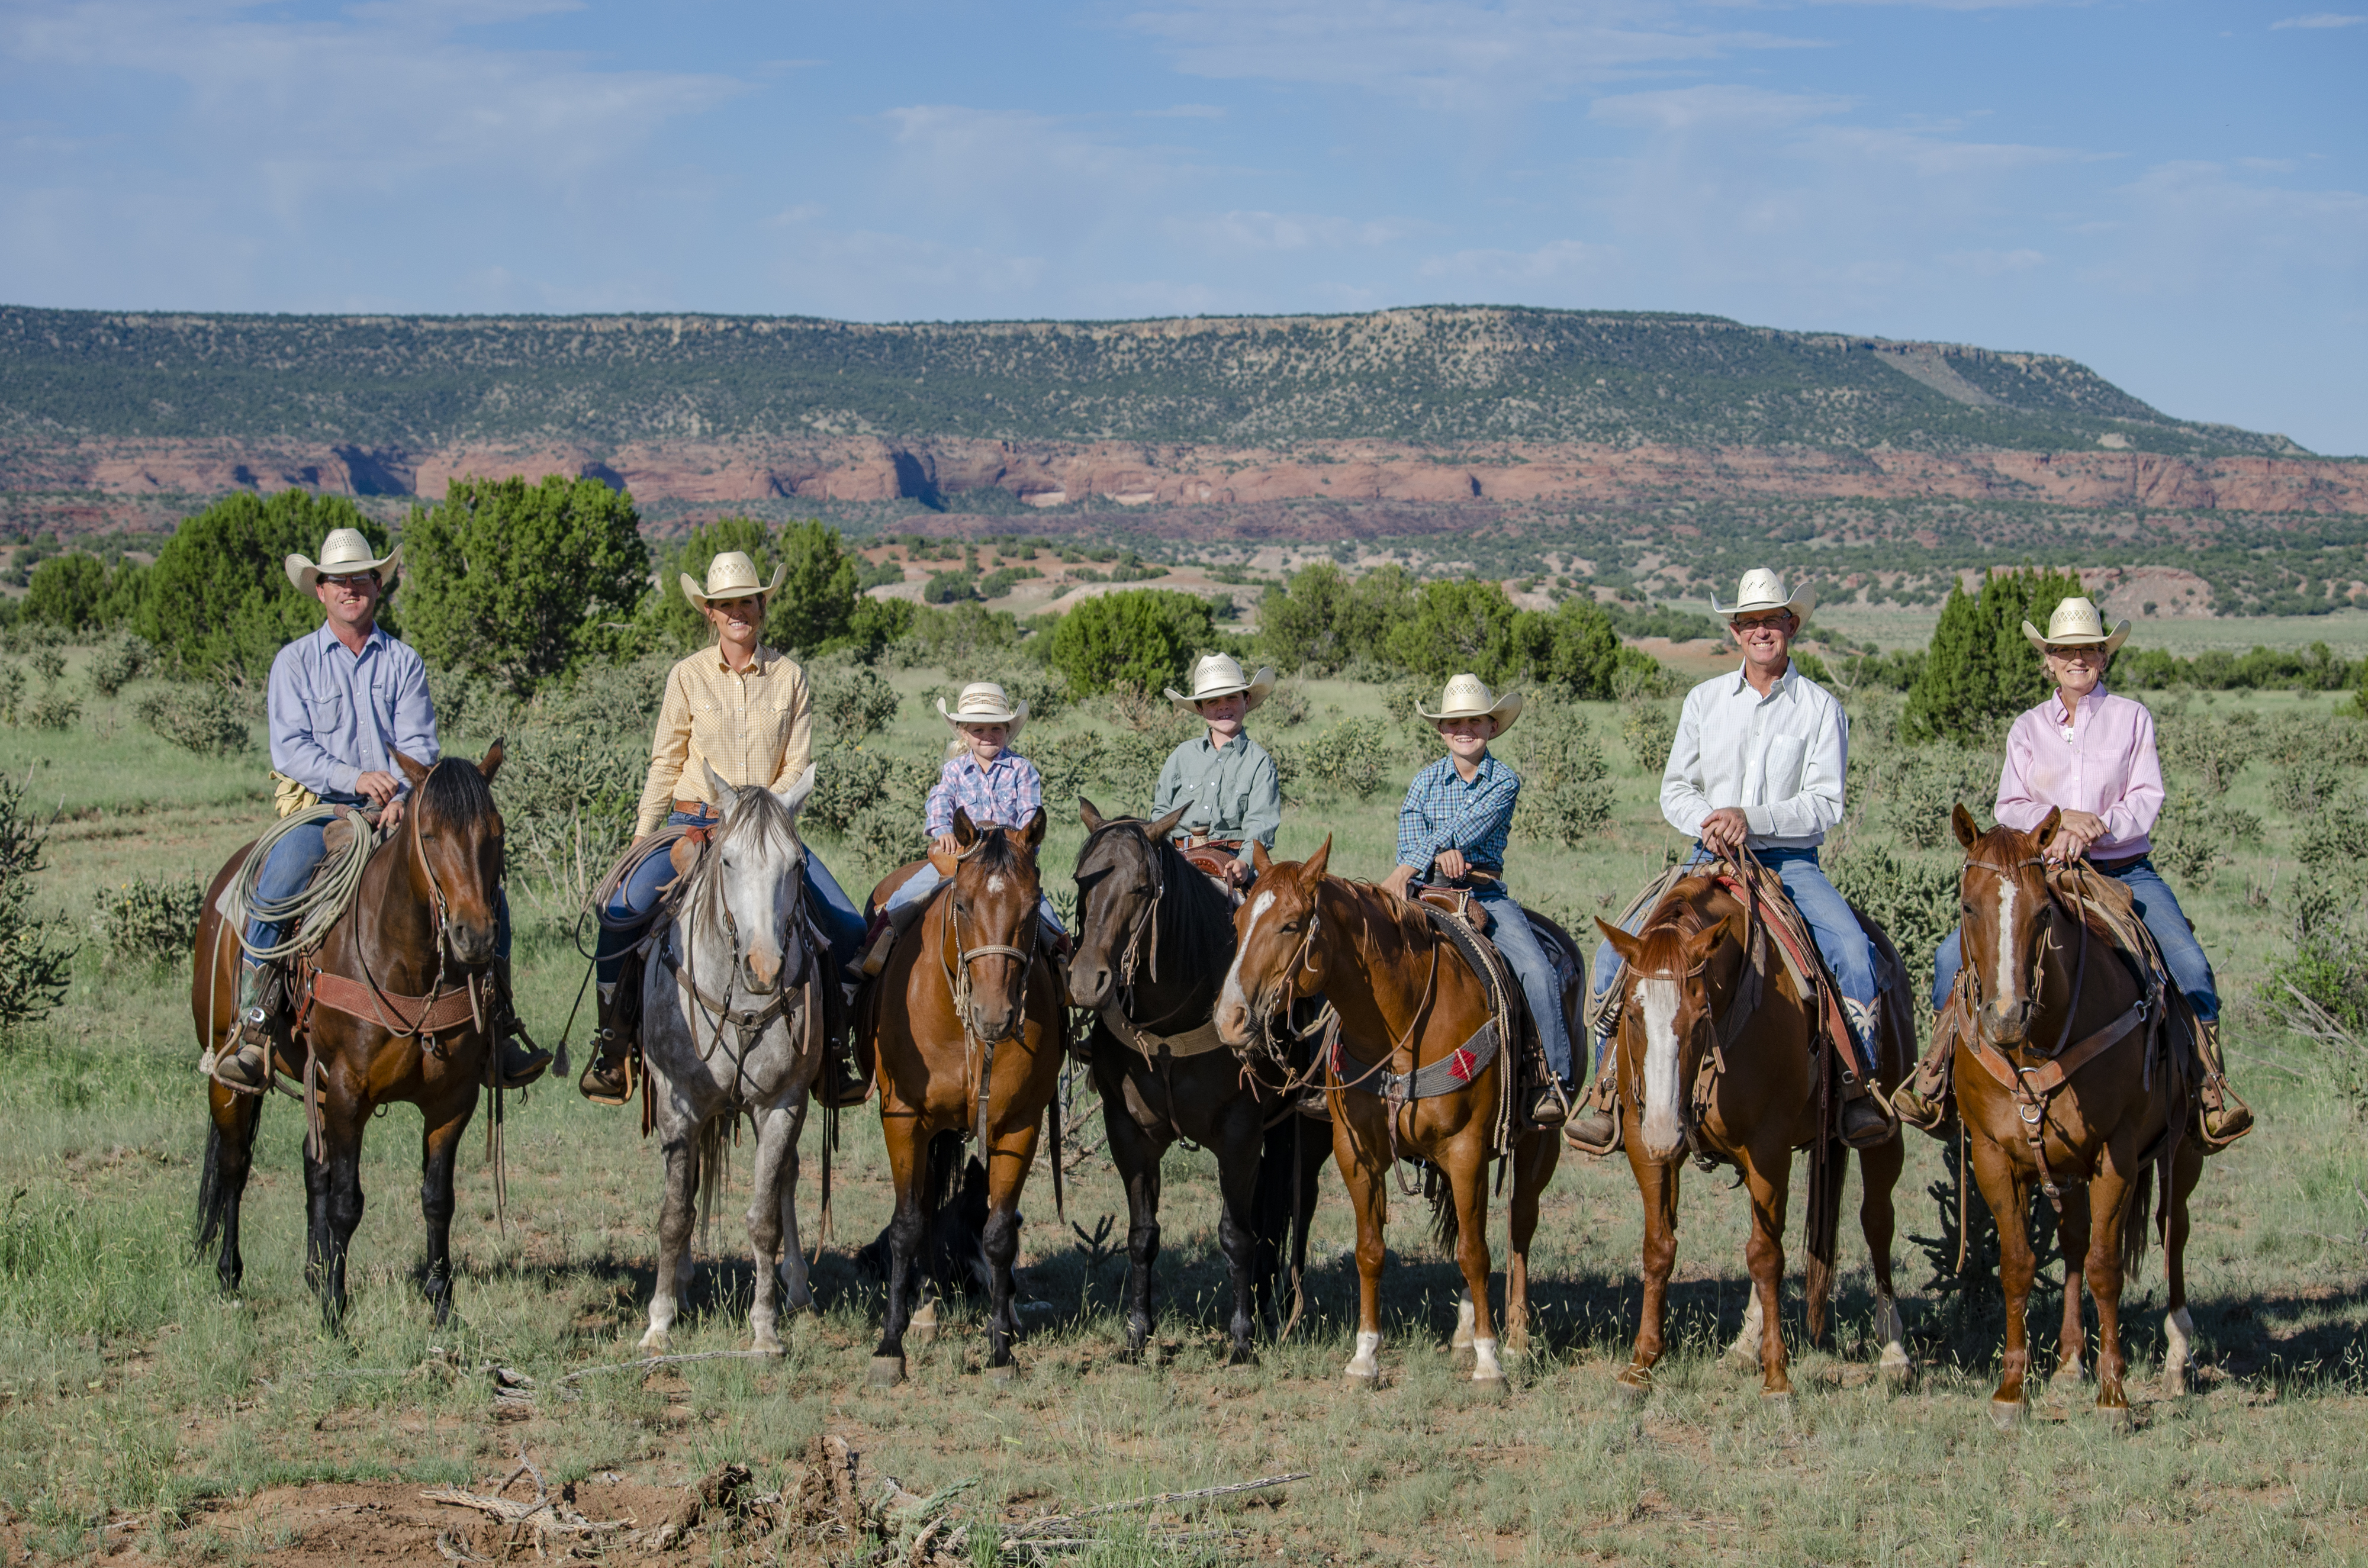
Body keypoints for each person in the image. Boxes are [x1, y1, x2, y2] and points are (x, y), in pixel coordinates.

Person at [1905, 596, 2250, 1144]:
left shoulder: (2132, 717)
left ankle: (2209, 1085)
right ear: (2049, 660)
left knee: (2189, 964)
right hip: (2041, 872)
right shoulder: (2027, 728)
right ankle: (1936, 1074)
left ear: (2104, 657)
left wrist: (2096, 825)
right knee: (1952, 956)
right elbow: (2009, 806)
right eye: (2065, 651)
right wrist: (2056, 828)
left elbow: (2147, 795)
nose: (2077, 659)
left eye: (2088, 649)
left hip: (2123, 869)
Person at [1569, 568, 1890, 1151]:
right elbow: (1677, 787)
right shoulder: (1704, 700)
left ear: (1791, 625)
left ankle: (1855, 1087)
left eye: (1773, 620)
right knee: (1611, 958)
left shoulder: (1820, 708)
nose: (1761, 630)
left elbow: (1824, 804)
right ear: (1735, 632)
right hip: (1705, 859)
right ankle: (1605, 1089)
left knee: (1850, 948)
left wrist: (1751, 818)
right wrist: (1711, 822)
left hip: (1787, 864)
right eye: (1750, 622)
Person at [221, 527, 551, 1093]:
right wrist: (354, 778)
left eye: (362, 579)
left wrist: (402, 796)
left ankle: (496, 1025)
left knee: (484, 892)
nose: (352, 589)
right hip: (321, 811)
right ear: (320, 590)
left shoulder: (402, 661)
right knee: (279, 881)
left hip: (403, 812)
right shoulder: (295, 663)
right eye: (339, 581)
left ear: (378, 586)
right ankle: (253, 1025)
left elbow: (420, 745)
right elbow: (291, 748)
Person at [579, 551, 866, 1105]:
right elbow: (667, 758)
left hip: (765, 834)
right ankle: (614, 1048)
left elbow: (796, 766)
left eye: (749, 601)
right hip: (694, 826)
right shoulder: (687, 675)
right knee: (621, 911)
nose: (739, 612)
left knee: (850, 931)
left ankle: (832, 1054)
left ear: (763, 607)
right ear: (709, 613)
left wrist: (761, 819)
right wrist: (644, 833)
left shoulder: (789, 677)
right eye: (727, 604)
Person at [1381, 674, 1575, 1127]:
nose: (1464, 729)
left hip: (1482, 891)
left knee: (1536, 969)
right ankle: (1352, 1068)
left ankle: (1552, 1079)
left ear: (1492, 727)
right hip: (1425, 890)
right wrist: (1431, 858)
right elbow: (1411, 834)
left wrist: (1421, 858)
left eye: (1475, 721)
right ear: (1442, 730)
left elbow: (1469, 828)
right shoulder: (1424, 780)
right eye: (1454, 722)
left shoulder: (1503, 780)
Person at [855, 681, 1066, 975]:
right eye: (978, 730)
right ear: (964, 733)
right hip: (960, 857)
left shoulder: (1023, 770)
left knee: (1046, 917)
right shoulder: (955, 770)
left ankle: (1064, 969)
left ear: (1007, 731)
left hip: (1008, 862)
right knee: (906, 897)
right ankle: (874, 949)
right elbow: (940, 798)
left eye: (996, 729)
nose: (987, 736)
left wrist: (1020, 847)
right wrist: (943, 830)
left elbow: (1031, 815)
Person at [1152, 652, 1283, 891]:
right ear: (1200, 709)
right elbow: (1161, 813)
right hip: (1176, 860)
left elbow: (1260, 824)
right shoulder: (1183, 755)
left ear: (1247, 700)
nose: (1223, 706)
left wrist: (1244, 862)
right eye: (1212, 701)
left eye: (1232, 698)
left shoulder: (1258, 762)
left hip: (1231, 863)